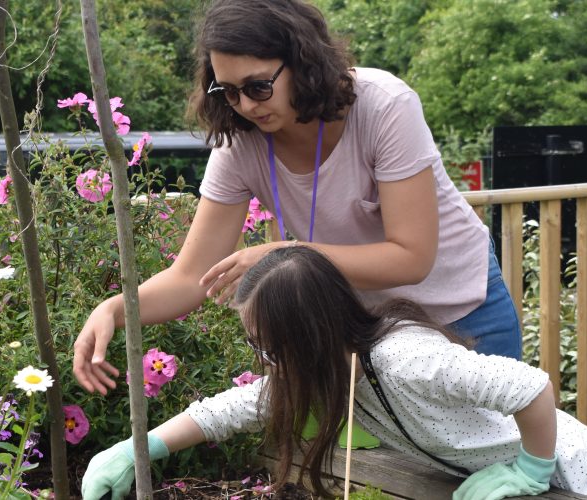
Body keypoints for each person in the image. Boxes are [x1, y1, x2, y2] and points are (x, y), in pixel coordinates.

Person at [73, 0, 521, 395]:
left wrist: (287, 252)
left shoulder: (383, 105)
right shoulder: (241, 143)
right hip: (372, 331)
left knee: (497, 466)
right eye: (229, 91)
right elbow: (192, 277)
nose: (246, 106)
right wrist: (115, 309)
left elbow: (412, 258)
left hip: (463, 312)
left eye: (258, 86)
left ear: (302, 62)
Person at [79, 247, 587, 500]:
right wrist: (139, 448)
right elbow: (231, 409)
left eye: (265, 341)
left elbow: (530, 388)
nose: (261, 354)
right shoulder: (335, 368)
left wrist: (532, 472)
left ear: (306, 334)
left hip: (577, 476)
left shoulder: (404, 358)